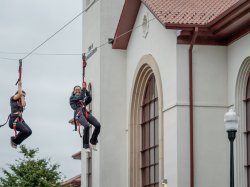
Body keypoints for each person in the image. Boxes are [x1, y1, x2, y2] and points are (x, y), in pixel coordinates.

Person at [70, 82, 101, 152]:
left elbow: (89, 98)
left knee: (98, 125)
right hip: (79, 114)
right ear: (74, 92)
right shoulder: (72, 98)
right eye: (76, 90)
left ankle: (93, 142)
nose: (78, 91)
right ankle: (86, 145)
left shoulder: (82, 100)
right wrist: (83, 89)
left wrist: (85, 90)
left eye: (79, 90)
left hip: (85, 112)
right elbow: (80, 97)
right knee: (86, 126)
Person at [9, 81, 32, 149]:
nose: (23, 97)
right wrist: (19, 86)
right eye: (22, 95)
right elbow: (19, 94)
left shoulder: (22, 102)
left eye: (24, 96)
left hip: (20, 120)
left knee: (29, 132)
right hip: (13, 120)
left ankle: (16, 141)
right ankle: (13, 140)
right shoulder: (12, 99)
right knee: (25, 131)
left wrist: (23, 97)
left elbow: (23, 104)